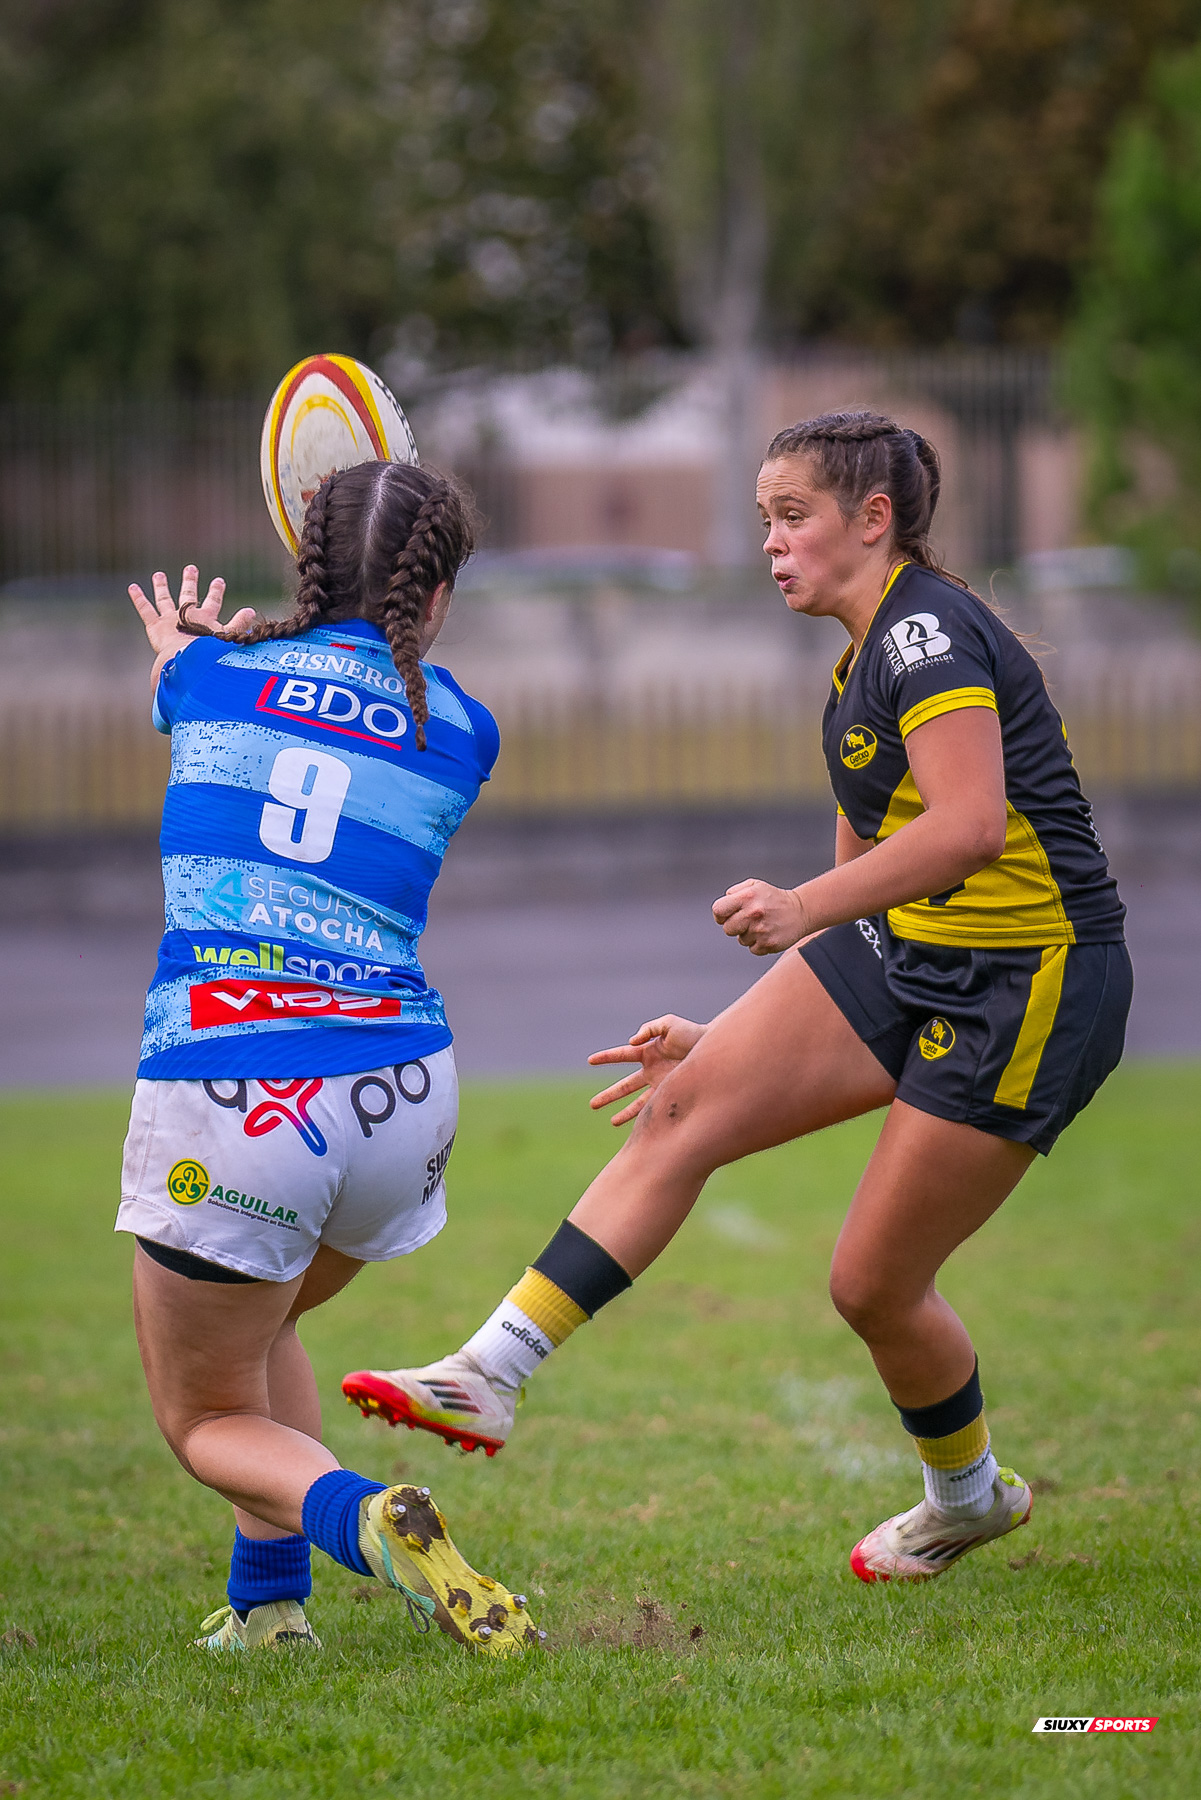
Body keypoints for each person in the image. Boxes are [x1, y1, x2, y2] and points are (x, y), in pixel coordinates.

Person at [344, 411, 1132, 1584]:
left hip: (1031, 980)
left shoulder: (925, 636)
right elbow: (872, 878)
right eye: (765, 518)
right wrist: (732, 1035)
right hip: (912, 945)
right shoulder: (854, 672)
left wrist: (802, 906)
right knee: (686, 1100)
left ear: (872, 520)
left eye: (792, 516)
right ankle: (487, 1373)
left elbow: (969, 829)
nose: (770, 542)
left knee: (870, 1284)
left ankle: (965, 1499)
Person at [119, 461, 541, 1654]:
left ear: (303, 570)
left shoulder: (207, 679)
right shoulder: (463, 728)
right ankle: (269, 1611)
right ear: (436, 592)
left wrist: (190, 645)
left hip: (238, 1088)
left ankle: (362, 1522)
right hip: (401, 1098)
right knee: (261, 1327)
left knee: (204, 1414)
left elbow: (184, 688)